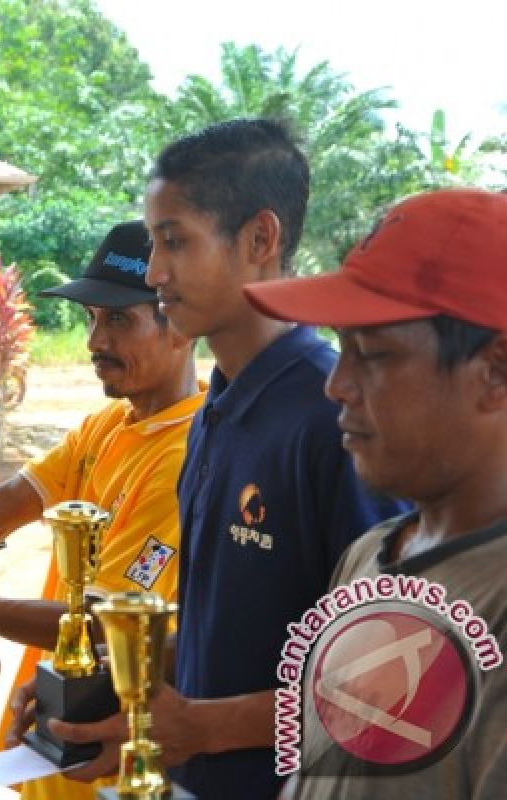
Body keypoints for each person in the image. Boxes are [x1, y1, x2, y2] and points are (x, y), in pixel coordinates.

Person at [45, 119, 408, 800]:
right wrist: (124, 703)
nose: (154, 274)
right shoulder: (214, 409)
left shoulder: (336, 418)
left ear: (260, 240)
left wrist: (208, 728)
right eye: (154, 244)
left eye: (174, 242)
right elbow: (214, 627)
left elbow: (396, 687)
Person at [0, 219, 205, 800]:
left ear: (181, 323)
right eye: (92, 318)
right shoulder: (107, 426)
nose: (96, 341)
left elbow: (101, 624)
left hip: (111, 765)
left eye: (118, 318)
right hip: (51, 752)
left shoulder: (188, 455)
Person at [242, 188, 507, 799]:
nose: (337, 385)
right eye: (341, 348)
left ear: (494, 372)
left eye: (375, 355)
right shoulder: (372, 553)